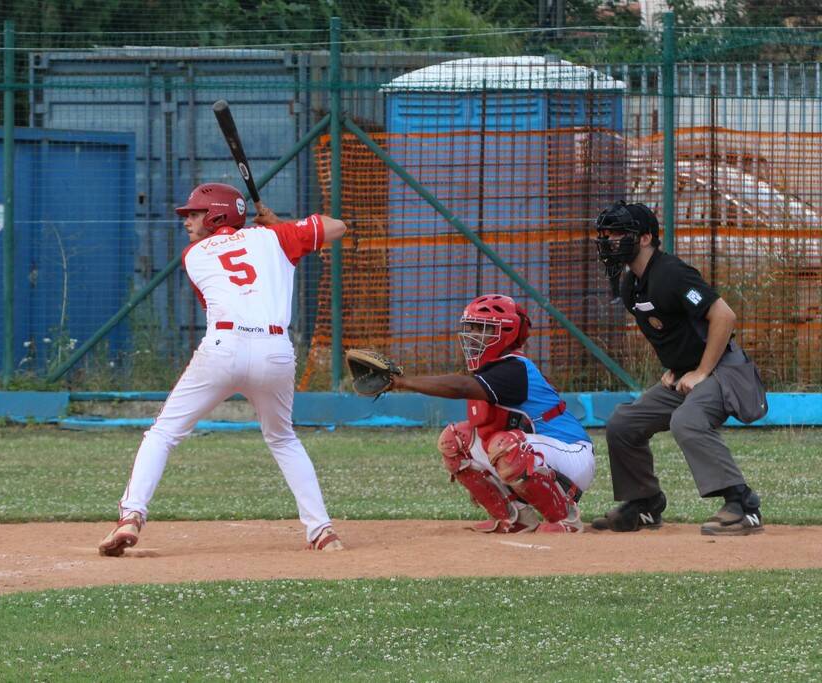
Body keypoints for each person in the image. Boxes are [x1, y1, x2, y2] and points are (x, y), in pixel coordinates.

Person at [98, 182, 347, 556]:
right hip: (274, 352)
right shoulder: (275, 237)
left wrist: (273, 231)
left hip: (223, 349)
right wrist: (282, 225)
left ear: (216, 215)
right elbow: (337, 226)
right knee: (282, 439)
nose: (187, 221)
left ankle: (131, 516)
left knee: (163, 432)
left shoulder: (194, 254)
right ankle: (322, 532)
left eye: (195, 214)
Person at [592, 200, 766, 536]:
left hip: (724, 371)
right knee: (623, 424)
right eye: (607, 235)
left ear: (644, 238)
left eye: (618, 234)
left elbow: (724, 316)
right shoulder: (631, 285)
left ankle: (743, 504)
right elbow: (671, 329)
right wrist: (675, 368)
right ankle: (644, 503)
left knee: (687, 420)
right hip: (687, 374)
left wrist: (700, 371)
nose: (609, 241)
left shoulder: (671, 272)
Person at [389, 294, 596, 533]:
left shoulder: (513, 368)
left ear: (507, 332)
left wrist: (401, 382)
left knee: (505, 445)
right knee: (455, 440)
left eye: (483, 329)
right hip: (538, 451)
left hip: (571, 453)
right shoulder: (492, 369)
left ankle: (564, 518)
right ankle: (514, 517)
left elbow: (460, 386)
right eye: (471, 328)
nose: (473, 336)